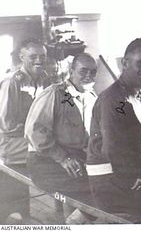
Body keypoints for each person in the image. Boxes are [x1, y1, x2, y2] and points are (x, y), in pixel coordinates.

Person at [25, 53, 98, 224]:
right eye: (83, 71)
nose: (88, 76)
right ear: (72, 71)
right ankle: (73, 223)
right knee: (98, 188)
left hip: (75, 158)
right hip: (45, 162)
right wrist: (63, 158)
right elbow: (35, 131)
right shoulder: (55, 94)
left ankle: (75, 221)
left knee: (107, 181)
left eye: (93, 72)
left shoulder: (92, 97)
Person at [87, 38, 141, 216]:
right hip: (110, 179)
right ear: (125, 63)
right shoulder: (113, 100)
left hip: (127, 171)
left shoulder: (139, 93)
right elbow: (113, 152)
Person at [0, 38, 51, 222]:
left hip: (32, 141)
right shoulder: (12, 82)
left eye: (42, 56)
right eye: (33, 57)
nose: (39, 60)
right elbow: (6, 124)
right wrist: (36, 132)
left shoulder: (45, 80)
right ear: (22, 57)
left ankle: (66, 204)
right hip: (13, 144)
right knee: (53, 151)